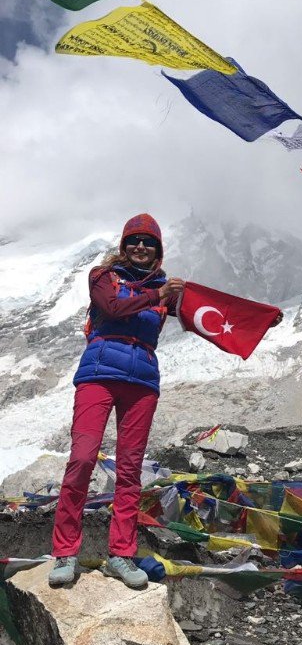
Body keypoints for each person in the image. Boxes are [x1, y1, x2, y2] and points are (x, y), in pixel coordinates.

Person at [49, 214, 184, 590]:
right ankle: (65, 551)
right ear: (124, 245)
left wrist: (254, 323)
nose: (141, 246)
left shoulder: (166, 289)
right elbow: (112, 307)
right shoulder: (102, 277)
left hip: (142, 381)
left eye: (149, 242)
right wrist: (159, 295)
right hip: (98, 374)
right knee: (82, 457)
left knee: (129, 470)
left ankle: (121, 555)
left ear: (158, 250)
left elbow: (207, 316)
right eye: (134, 240)